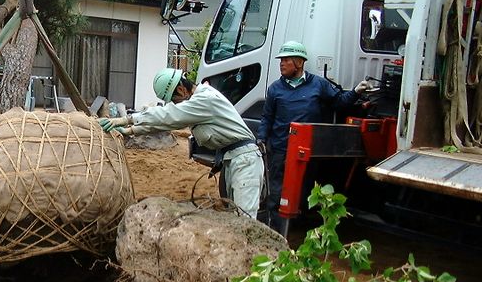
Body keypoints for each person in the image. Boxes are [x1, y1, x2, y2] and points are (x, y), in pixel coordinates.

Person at [99, 68, 265, 219]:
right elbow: (168, 122)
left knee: (246, 220)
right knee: (233, 217)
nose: (176, 104)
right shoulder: (197, 102)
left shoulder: (204, 99)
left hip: (245, 162)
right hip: (233, 160)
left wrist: (126, 119)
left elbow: (169, 115)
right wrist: (131, 131)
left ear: (181, 89)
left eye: (174, 100)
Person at [257, 41, 368, 233]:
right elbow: (267, 117)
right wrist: (261, 139)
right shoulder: (275, 89)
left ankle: (296, 227)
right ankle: (274, 230)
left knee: (303, 190)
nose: (281, 64)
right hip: (281, 150)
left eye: (286, 60)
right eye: (281, 60)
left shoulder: (318, 85)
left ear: (299, 63)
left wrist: (356, 92)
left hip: (306, 152)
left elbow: (339, 102)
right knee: (277, 192)